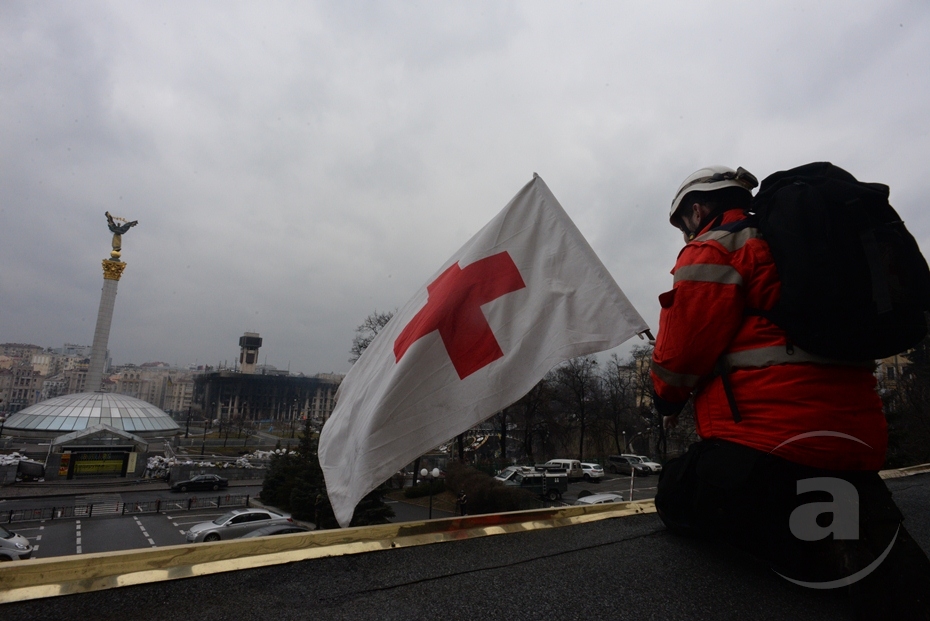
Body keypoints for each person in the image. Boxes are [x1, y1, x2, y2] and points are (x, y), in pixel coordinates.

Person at [651, 165, 930, 619]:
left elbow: (681, 355)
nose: (684, 233)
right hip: (857, 445)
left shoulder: (714, 247)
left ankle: (815, 553)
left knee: (675, 493)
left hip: (769, 443)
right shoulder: (804, 249)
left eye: (683, 222)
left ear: (697, 209)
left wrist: (666, 400)